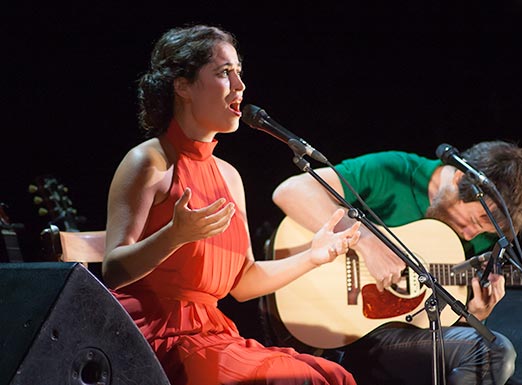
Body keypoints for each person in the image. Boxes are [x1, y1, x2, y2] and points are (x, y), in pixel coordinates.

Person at [101, 24, 361, 385]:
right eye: (225, 73)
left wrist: (313, 256)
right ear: (183, 85)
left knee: (333, 374)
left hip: (213, 334)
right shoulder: (149, 161)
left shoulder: (229, 176)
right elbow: (113, 270)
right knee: (298, 380)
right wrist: (174, 236)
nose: (240, 86)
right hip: (157, 338)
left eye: (239, 73)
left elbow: (242, 280)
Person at [271, 141, 522, 385]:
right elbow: (292, 191)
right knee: (493, 353)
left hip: (391, 339)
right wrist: (365, 240)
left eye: (486, 232)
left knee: (494, 361)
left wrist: (474, 317)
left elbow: (432, 331)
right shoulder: (395, 171)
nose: (472, 235)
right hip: (328, 324)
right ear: (460, 178)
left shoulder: (480, 242)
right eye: (475, 220)